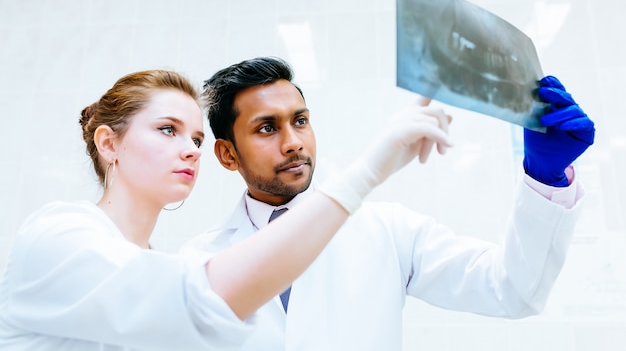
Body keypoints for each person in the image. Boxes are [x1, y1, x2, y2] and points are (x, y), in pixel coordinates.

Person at [0, 69, 455, 351]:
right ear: (108, 143)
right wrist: (367, 172)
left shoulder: (159, 264)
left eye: (195, 139)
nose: (190, 150)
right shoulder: (58, 235)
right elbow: (203, 301)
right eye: (167, 130)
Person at [182, 57, 595, 351]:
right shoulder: (198, 263)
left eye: (300, 120)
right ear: (227, 155)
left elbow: (513, 290)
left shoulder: (388, 231)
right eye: (267, 128)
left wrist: (545, 177)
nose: (293, 142)